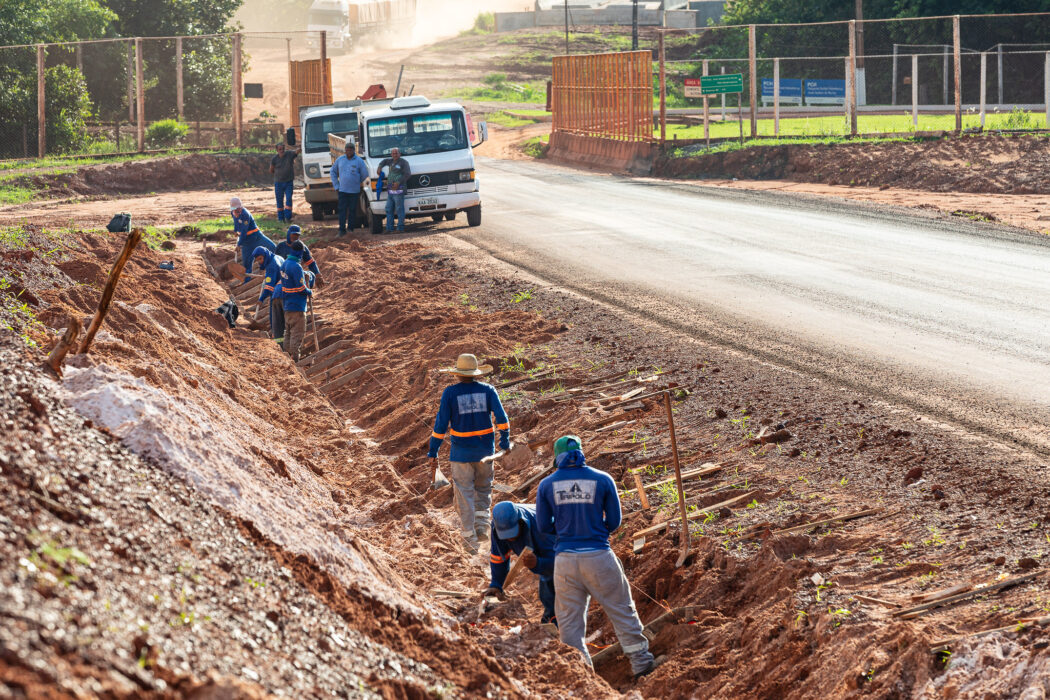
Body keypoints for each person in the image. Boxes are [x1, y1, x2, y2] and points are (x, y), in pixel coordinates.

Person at [536, 435, 657, 679]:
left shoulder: (547, 485)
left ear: (557, 457)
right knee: (622, 610)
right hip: (599, 556)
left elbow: (542, 525)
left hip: (565, 562)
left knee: (570, 624)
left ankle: (584, 679)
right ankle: (641, 663)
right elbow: (614, 521)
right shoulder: (602, 479)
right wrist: (594, 529)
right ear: (581, 452)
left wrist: (564, 530)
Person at [427, 353, 510, 552]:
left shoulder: (450, 393)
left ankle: (469, 539)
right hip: (485, 452)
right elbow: (501, 417)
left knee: (464, 493)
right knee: (483, 488)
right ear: (475, 373)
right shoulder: (488, 390)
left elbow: (440, 425)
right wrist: (504, 440)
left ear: (457, 374)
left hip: (461, 455)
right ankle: (481, 526)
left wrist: (433, 451)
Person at [484, 501, 558, 625]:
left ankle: (553, 620)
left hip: (564, 546)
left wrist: (538, 563)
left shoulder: (543, 527)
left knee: (548, 585)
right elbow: (499, 557)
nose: (510, 539)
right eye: (505, 535)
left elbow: (562, 562)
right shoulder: (498, 527)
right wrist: (496, 584)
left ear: (521, 521)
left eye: (512, 533)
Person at [279, 240, 314, 361]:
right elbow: (301, 288)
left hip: (287, 305)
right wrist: (310, 291)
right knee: (297, 333)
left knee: (288, 332)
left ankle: (286, 356)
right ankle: (295, 359)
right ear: (300, 253)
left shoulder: (285, 264)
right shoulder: (296, 267)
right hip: (297, 306)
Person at [230, 197, 276, 285]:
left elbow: (244, 231)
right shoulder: (232, 213)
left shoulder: (245, 214)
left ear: (241, 207)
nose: (236, 212)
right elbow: (236, 224)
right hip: (247, 243)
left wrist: (239, 244)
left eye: (238, 209)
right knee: (247, 264)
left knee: (272, 247)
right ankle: (246, 283)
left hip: (256, 237)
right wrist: (236, 231)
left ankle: (274, 268)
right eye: (235, 210)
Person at [329, 142, 368, 237]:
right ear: (345, 150)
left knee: (352, 210)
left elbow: (364, 174)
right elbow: (333, 172)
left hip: (354, 191)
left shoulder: (359, 161)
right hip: (342, 190)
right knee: (342, 210)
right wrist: (336, 186)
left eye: (351, 149)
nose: (349, 151)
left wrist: (356, 181)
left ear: (354, 150)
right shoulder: (340, 160)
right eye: (347, 150)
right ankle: (341, 230)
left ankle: (350, 229)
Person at [252, 246, 285, 348]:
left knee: (275, 321)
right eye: (258, 260)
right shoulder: (277, 257)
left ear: (265, 256)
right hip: (287, 292)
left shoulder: (271, 266)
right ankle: (283, 343)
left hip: (278, 295)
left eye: (261, 259)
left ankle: (279, 346)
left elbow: (269, 288)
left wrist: (261, 299)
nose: (260, 262)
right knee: (284, 320)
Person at [378, 147, 411, 233]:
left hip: (399, 189)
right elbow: (384, 161)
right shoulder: (390, 161)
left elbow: (407, 174)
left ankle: (400, 228)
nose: (395, 155)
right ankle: (389, 228)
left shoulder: (403, 162)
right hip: (390, 189)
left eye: (396, 153)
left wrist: (398, 182)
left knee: (399, 209)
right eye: (393, 153)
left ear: (400, 154)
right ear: (391, 155)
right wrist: (380, 167)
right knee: (388, 209)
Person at [270, 142, 300, 222]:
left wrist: (299, 148)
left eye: (283, 149)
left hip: (288, 182)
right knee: (279, 200)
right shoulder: (274, 159)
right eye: (280, 149)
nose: (282, 150)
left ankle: (288, 217)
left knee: (289, 198)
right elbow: (271, 170)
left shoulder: (289, 154)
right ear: (277, 150)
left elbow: (296, 152)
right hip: (278, 183)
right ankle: (280, 218)